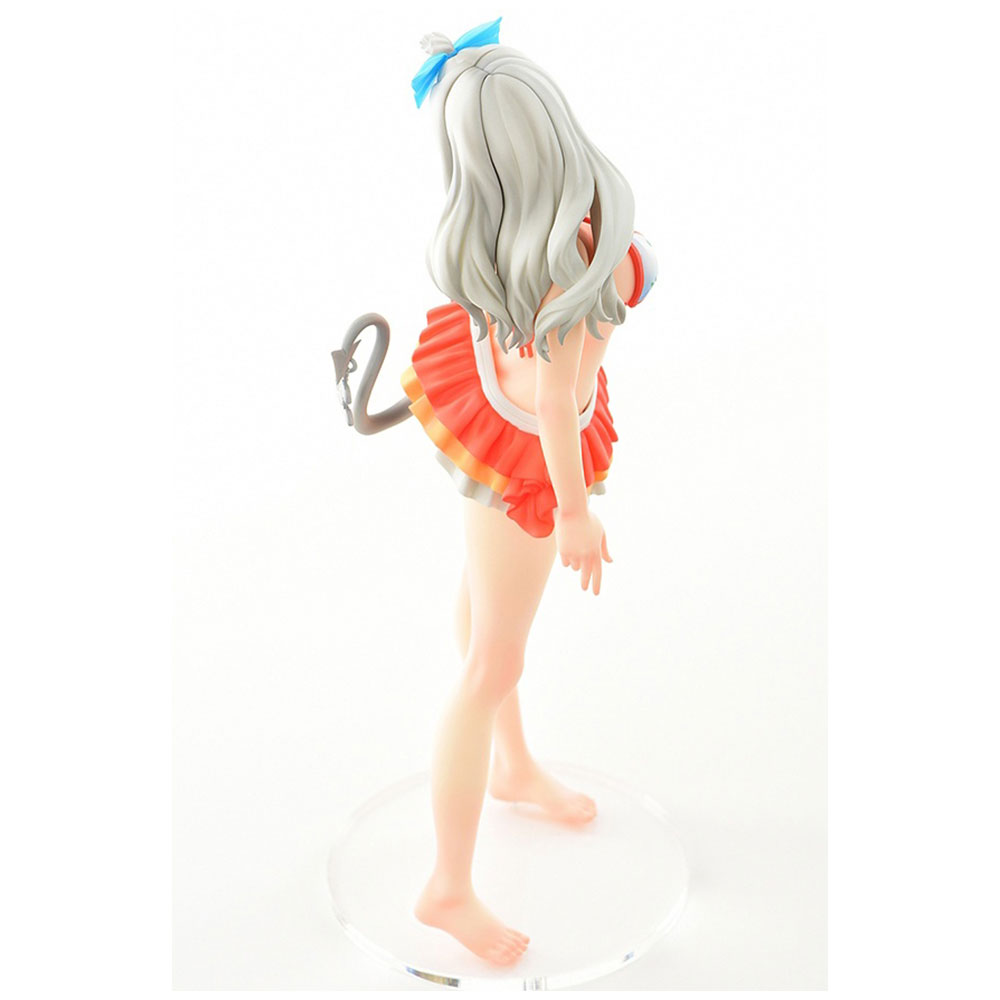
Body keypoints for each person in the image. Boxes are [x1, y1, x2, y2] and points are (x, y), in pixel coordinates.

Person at [335, 18, 657, 965]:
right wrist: (576, 512)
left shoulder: (501, 241)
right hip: (527, 456)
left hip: (492, 411)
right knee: (492, 664)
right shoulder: (568, 265)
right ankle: (446, 885)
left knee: (484, 615)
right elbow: (556, 402)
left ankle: (511, 766)